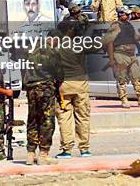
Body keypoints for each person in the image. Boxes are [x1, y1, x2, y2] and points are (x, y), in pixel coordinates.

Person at [23, 29, 63, 165]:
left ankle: (30, 153)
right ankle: (44, 154)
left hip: (31, 87)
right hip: (45, 88)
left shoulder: (32, 47)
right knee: (47, 120)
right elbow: (59, 72)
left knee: (33, 119)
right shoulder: (52, 51)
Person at [54, 21, 94, 159]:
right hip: (80, 84)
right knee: (83, 116)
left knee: (64, 117)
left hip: (63, 86)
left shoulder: (57, 46)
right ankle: (84, 149)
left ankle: (66, 149)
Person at [103, 6, 140, 108]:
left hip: (131, 54)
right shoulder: (116, 26)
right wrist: (111, 59)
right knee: (122, 78)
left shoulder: (129, 25)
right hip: (120, 54)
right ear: (121, 14)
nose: (129, 15)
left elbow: (135, 39)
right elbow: (109, 43)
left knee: (136, 75)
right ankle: (124, 99)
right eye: (127, 14)